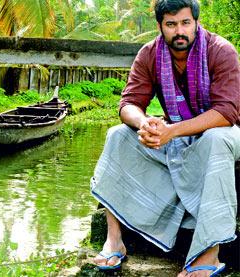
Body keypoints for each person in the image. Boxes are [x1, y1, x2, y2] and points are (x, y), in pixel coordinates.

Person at [90, 0, 240, 276]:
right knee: (118, 135)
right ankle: (114, 240)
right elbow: (129, 104)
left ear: (196, 22)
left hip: (224, 133)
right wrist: (145, 123)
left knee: (216, 138)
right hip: (177, 135)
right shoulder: (150, 54)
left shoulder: (221, 51)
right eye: (171, 25)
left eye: (185, 23)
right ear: (160, 26)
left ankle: (208, 253)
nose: (179, 31)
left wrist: (172, 131)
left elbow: (227, 112)